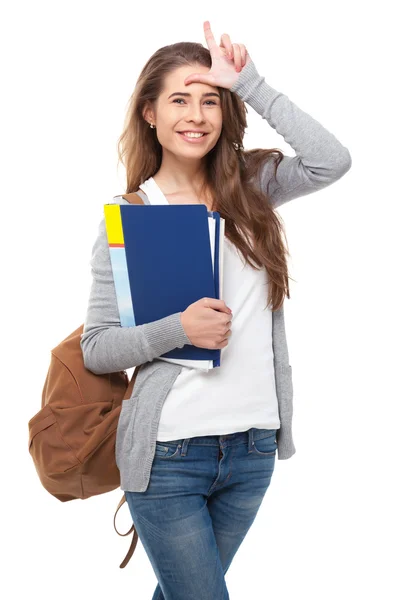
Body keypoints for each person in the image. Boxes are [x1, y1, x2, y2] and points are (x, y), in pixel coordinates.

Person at [81, 20, 352, 600]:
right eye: (179, 99)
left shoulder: (250, 190)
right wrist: (180, 328)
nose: (197, 115)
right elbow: (97, 345)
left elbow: (332, 160)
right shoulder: (131, 216)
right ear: (150, 112)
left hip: (253, 445)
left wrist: (249, 82)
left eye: (211, 101)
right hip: (169, 452)